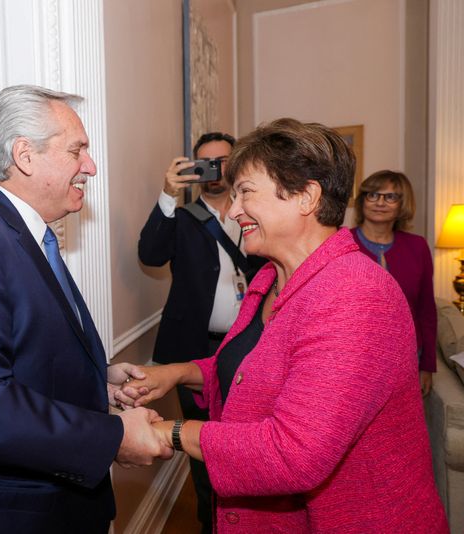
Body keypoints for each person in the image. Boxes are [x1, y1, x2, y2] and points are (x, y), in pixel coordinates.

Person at [120, 118, 447, 532]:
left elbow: (293, 454)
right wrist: (176, 373)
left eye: (245, 193)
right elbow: (250, 372)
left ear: (306, 196)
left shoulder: (355, 295)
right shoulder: (270, 279)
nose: (235, 210)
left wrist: (169, 432)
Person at [0, 85, 172, 534]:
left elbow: (20, 355)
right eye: (77, 150)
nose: (90, 167)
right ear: (24, 155)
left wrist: (96, 382)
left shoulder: (21, 235)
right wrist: (113, 436)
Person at [138, 132, 265, 532]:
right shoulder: (183, 218)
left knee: (248, 436)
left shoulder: (257, 212)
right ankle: (210, 521)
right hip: (194, 350)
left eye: (223, 160)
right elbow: (150, 255)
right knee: (200, 443)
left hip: (251, 347)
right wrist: (167, 195)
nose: (215, 169)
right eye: (205, 162)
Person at [352, 170, 436, 396]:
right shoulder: (342, 243)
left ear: (402, 204)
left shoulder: (417, 247)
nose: (380, 202)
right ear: (362, 201)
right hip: (354, 356)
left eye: (390, 197)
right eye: (372, 195)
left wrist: (427, 365)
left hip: (407, 355)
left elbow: (426, 309)